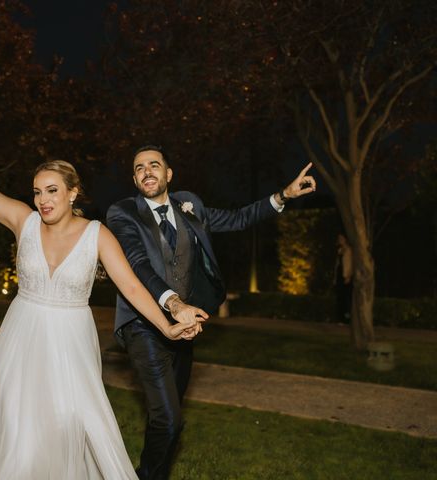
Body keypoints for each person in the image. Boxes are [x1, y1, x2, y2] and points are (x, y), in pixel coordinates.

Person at [0, 88, 204, 479]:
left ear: (72, 193)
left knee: (71, 423)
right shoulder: (22, 221)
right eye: (37, 192)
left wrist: (167, 325)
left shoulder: (98, 234)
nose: (43, 200)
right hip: (21, 338)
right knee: (19, 430)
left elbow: (130, 287)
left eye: (52, 191)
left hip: (70, 345)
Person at [106, 145, 316, 479]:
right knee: (170, 420)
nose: (147, 171)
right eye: (140, 168)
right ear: (134, 178)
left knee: (166, 418)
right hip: (143, 324)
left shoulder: (191, 206)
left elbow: (237, 219)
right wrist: (174, 304)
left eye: (154, 165)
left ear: (168, 174)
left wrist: (284, 195)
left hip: (185, 328)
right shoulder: (123, 213)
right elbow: (138, 264)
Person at [334, 233, 353, 324]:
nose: (340, 240)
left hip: (346, 275)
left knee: (346, 297)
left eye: (341, 238)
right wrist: (334, 278)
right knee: (340, 297)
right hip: (339, 274)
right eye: (339, 238)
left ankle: (347, 318)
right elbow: (337, 265)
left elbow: (350, 264)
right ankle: (340, 318)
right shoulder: (339, 250)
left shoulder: (349, 251)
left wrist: (348, 275)